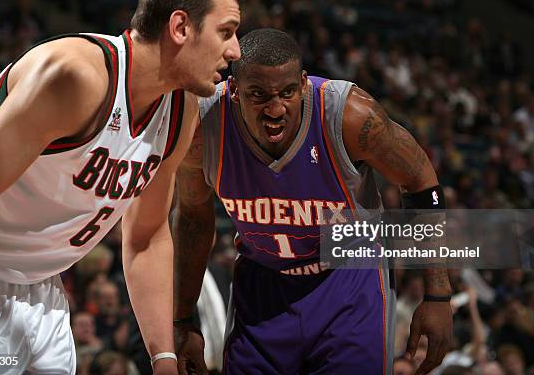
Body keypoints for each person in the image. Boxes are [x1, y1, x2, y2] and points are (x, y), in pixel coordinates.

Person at [0, 0, 242, 374]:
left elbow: (145, 236)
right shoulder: (77, 76)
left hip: (43, 287)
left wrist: (162, 356)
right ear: (180, 26)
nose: (235, 51)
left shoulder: (180, 113)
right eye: (226, 31)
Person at [173, 29, 452, 374]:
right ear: (233, 91)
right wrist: (183, 319)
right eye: (258, 95)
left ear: (304, 84)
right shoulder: (202, 126)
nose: (275, 109)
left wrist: (438, 295)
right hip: (262, 284)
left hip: (348, 281)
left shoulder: (350, 116)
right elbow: (193, 219)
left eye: (287, 92)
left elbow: (421, 180)